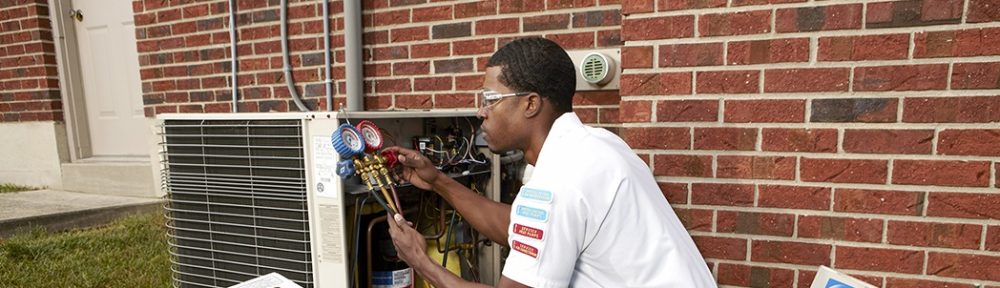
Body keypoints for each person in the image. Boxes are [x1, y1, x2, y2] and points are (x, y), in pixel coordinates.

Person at [384, 37, 717, 287]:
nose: (480, 112)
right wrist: (439, 182)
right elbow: (518, 227)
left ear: (530, 104)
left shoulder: (557, 181)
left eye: (490, 99)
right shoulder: (597, 144)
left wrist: (419, 260)